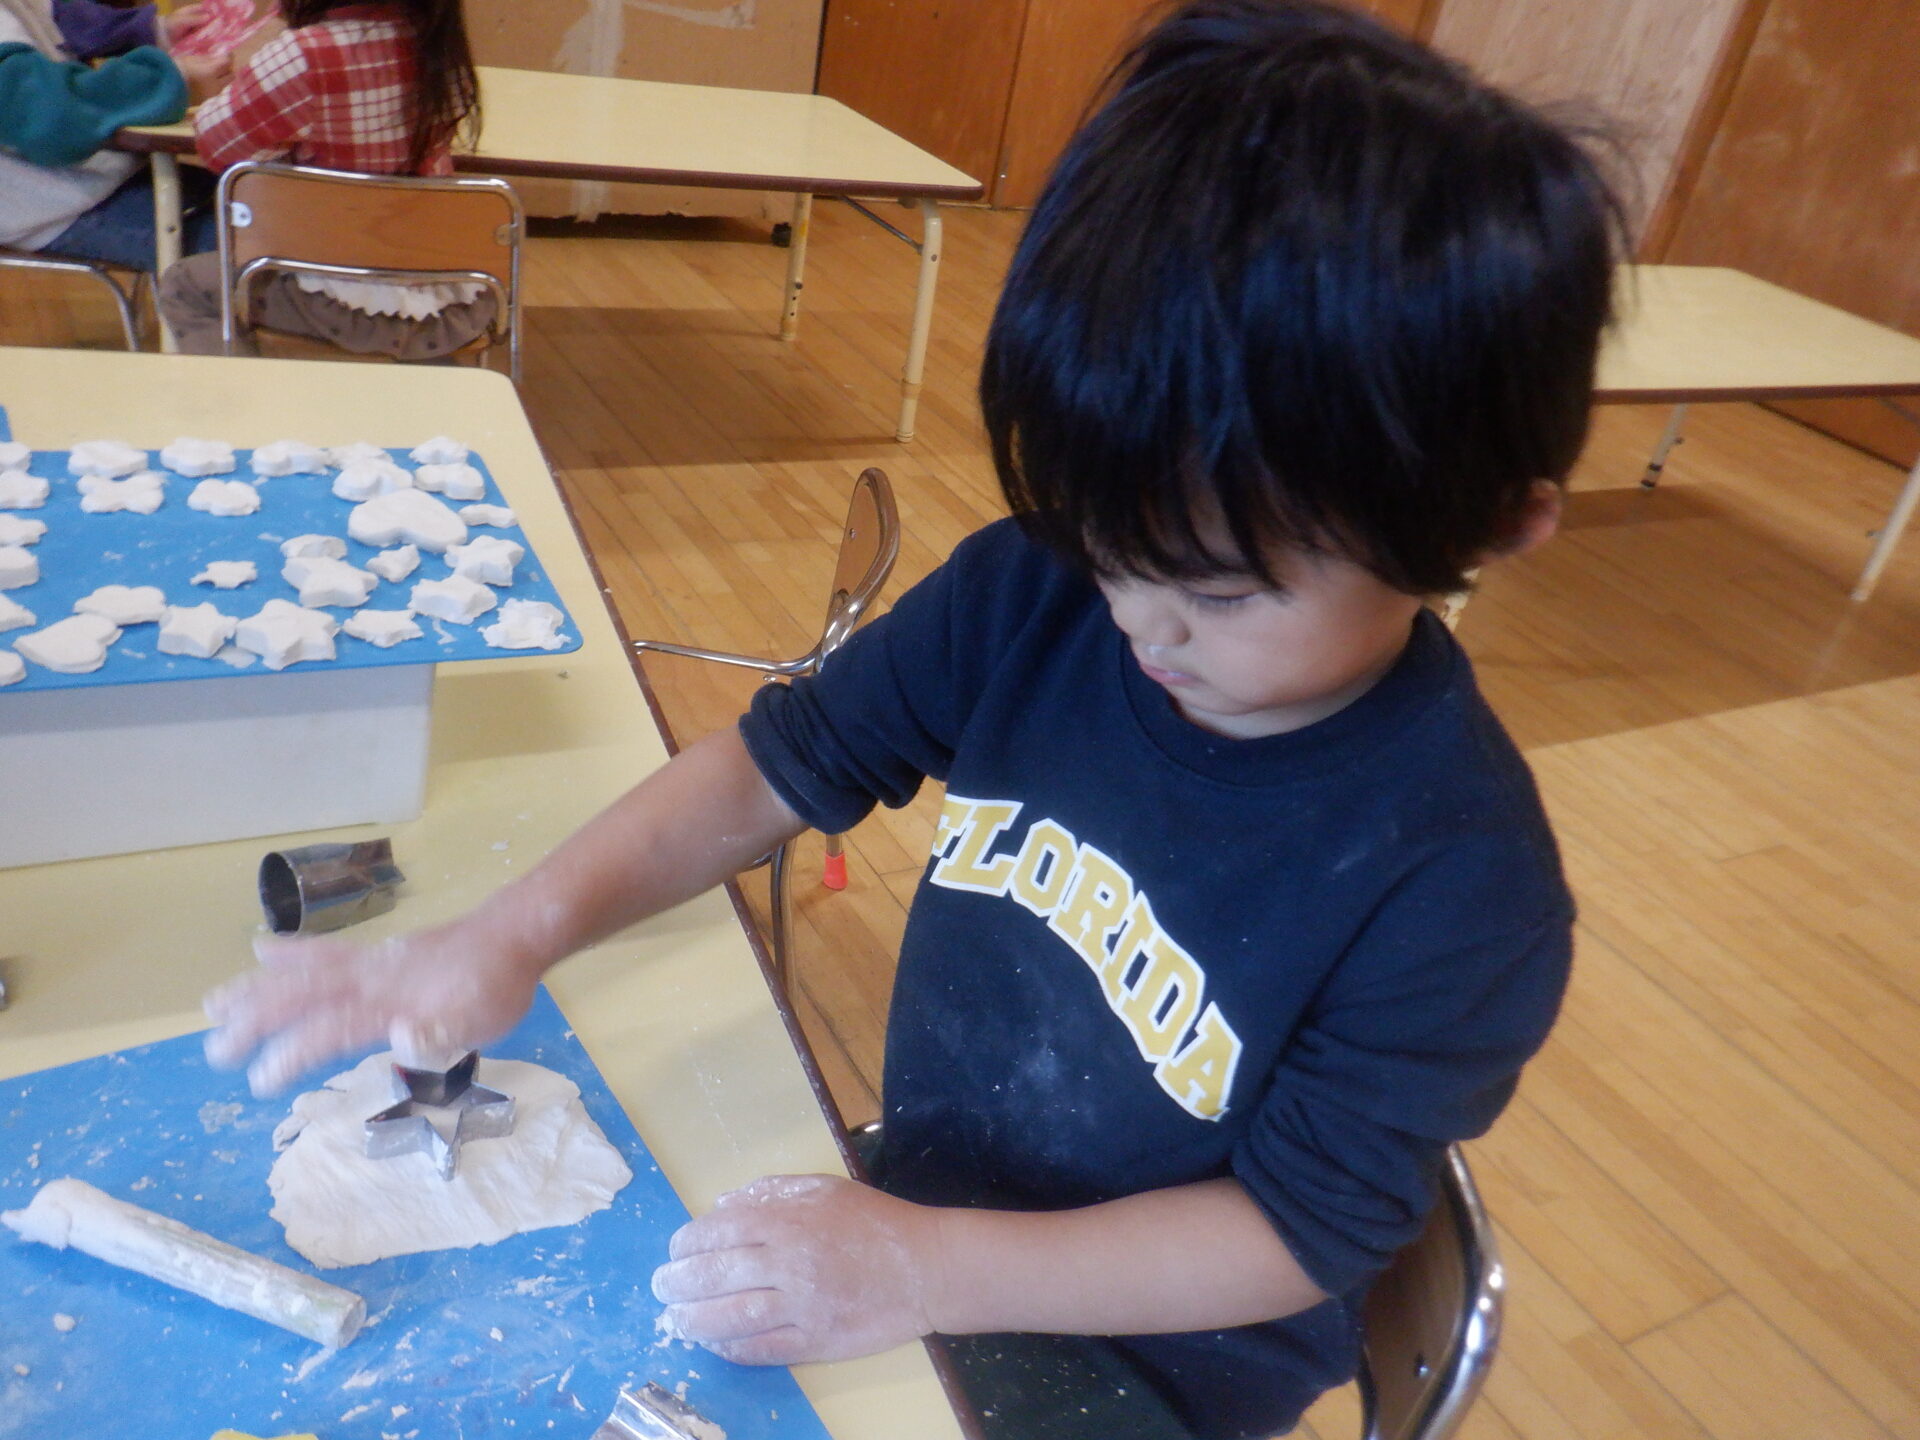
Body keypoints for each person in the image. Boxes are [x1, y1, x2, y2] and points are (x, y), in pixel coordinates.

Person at [199, 3, 1624, 1435]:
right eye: (1109, 542)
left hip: (1138, 1359)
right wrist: (512, 932)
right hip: (916, 1217)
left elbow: (1294, 1236)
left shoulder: (1460, 885)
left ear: (1493, 524)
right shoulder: (1040, 593)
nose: (1139, 621)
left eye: (1221, 589)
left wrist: (918, 1266)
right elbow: (774, 768)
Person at [156, 0, 495, 361]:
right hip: (453, 297)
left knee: (186, 286)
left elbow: (215, 144)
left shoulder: (305, 53)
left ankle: (246, 396)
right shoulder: (443, 49)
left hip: (340, 300)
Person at [0, 0, 228, 269]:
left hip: (96, 178)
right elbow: (52, 115)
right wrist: (169, 77)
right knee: (249, 243)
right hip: (58, 208)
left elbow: (67, 19)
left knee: (252, 202)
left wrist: (153, 29)